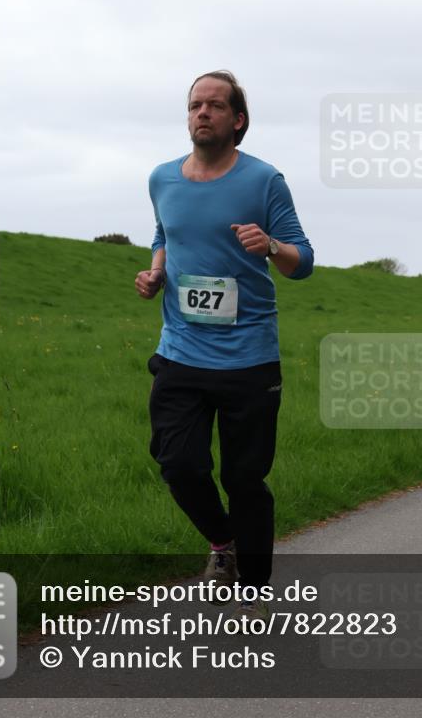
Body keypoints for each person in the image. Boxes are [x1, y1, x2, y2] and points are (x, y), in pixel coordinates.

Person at [134, 70, 314, 618]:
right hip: (181, 350)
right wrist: (156, 271)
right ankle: (222, 545)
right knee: (178, 462)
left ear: (237, 120)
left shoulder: (264, 181)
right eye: (194, 105)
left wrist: (271, 243)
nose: (202, 113)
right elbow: (165, 233)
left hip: (249, 359)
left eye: (215, 105)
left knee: (244, 478)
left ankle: (254, 591)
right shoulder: (162, 178)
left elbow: (303, 261)